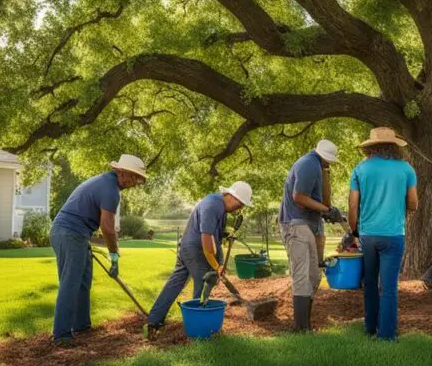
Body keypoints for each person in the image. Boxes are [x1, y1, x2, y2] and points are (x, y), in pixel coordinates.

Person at [50, 154, 147, 344]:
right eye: (134, 177)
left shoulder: (107, 183)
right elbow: (108, 228)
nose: (136, 182)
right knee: (70, 282)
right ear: (122, 172)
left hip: (77, 233)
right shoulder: (111, 190)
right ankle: (61, 334)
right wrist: (114, 255)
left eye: (138, 178)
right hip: (69, 232)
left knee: (83, 280)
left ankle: (81, 325)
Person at [146, 181, 253, 329]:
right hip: (196, 248)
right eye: (240, 203)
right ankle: (199, 325)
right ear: (230, 196)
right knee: (205, 282)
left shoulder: (219, 207)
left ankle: (154, 320)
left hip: (188, 247)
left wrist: (226, 235)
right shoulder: (213, 206)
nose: (240, 208)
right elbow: (207, 240)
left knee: (175, 283)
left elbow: (215, 236)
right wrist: (216, 266)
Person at [348, 127, 418, 341]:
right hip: (393, 235)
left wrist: (354, 231)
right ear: (395, 147)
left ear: (372, 147)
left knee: (369, 283)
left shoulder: (360, 169)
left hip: (368, 235)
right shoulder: (406, 169)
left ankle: (370, 328)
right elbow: (414, 204)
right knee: (388, 287)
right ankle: (386, 335)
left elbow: (352, 206)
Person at [278, 139, 341, 332]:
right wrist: (325, 210)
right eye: (329, 161)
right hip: (295, 224)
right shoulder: (308, 164)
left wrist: (327, 210)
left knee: (314, 276)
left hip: (309, 225)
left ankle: (306, 325)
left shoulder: (318, 166)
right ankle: (301, 328)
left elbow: (322, 200)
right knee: (302, 276)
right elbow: (299, 197)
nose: (330, 164)